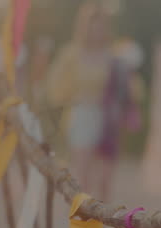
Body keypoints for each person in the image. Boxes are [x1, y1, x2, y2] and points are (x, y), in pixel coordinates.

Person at [45, 2, 143, 200]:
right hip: (82, 115)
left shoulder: (114, 57)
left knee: (105, 177)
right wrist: (76, 97)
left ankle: (103, 220)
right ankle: (84, 221)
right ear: (84, 26)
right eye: (92, 24)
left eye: (100, 24)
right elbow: (54, 86)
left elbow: (132, 90)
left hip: (109, 119)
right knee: (82, 173)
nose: (96, 29)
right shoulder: (72, 54)